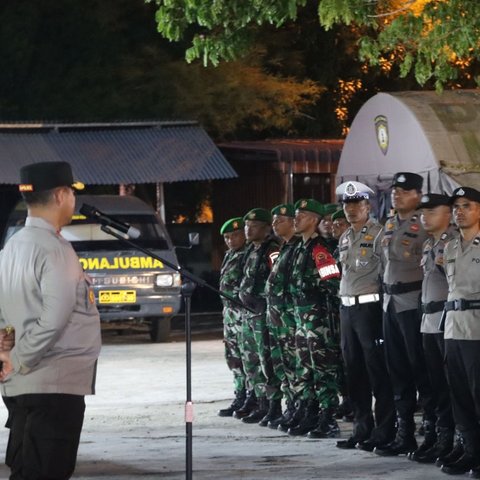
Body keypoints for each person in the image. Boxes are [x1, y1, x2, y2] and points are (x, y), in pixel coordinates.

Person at [0, 161, 102, 480]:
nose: (73, 198)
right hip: (52, 384)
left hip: (22, 387)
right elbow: (54, 319)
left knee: (26, 468)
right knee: (46, 471)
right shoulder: (55, 249)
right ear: (60, 195)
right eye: (71, 192)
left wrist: (9, 358)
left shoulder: (12, 246)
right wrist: (20, 359)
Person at [375, 172, 435, 457]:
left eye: (404, 191)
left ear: (417, 194)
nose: (397, 195)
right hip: (390, 304)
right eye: (395, 191)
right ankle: (404, 434)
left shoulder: (424, 225)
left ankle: (434, 436)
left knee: (421, 371)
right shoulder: (390, 222)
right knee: (397, 372)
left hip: (412, 304)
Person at [333, 181, 396, 450]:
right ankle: (361, 428)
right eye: (347, 205)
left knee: (377, 371)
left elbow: (387, 273)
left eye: (356, 204)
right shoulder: (345, 237)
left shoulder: (380, 235)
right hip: (347, 309)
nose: (351, 209)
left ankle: (384, 430)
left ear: (367, 206)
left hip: (370, 310)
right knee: (354, 371)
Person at [282, 199, 341, 438]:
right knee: (304, 367)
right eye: (296, 215)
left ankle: (328, 418)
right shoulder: (298, 248)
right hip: (300, 318)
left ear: (315, 221)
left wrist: (315, 290)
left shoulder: (319, 249)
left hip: (317, 319)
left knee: (322, 368)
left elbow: (333, 281)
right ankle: (310, 412)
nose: (296, 220)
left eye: (302, 216)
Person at [409, 194, 456, 464]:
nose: (425, 217)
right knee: (433, 383)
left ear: (448, 214)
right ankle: (439, 436)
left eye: (432, 211)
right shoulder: (429, 244)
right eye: (423, 212)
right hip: (428, 321)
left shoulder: (453, 243)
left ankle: (453, 439)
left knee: (450, 385)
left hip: (445, 321)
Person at [440, 187, 480, 476]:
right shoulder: (450, 246)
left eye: (467, 205)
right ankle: (470, 451)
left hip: (477, 328)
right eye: (456, 206)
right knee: (459, 396)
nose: (459, 211)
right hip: (453, 328)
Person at [234, 208, 280, 423]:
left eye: (253, 226)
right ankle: (259, 401)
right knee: (250, 360)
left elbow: (276, 278)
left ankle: (273, 405)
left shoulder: (272, 250)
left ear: (266, 228)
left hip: (262, 313)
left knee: (266, 360)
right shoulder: (250, 250)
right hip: (247, 313)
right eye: (246, 226)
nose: (248, 230)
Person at [263, 204, 300, 429]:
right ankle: (291, 406)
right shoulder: (284, 247)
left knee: (297, 364)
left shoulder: (298, 247)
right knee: (280, 364)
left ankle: (303, 407)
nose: (275, 225)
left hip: (292, 317)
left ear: (293, 223)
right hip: (276, 315)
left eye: (280, 220)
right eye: (274, 221)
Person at [217, 217, 248, 417]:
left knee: (249, 357)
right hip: (230, 314)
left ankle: (254, 398)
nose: (230, 240)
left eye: (234, 236)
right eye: (227, 237)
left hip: (244, 314)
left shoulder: (249, 254)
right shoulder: (230, 255)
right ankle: (240, 395)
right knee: (234, 357)